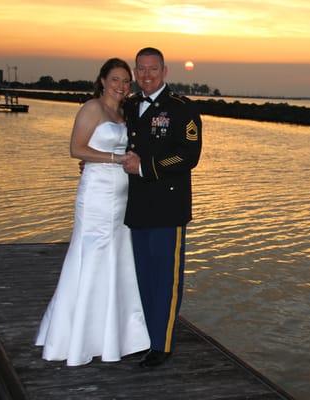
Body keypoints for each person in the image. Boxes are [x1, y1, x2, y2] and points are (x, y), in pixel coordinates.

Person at [35, 58, 150, 366]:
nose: (122, 86)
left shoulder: (124, 112)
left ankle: (112, 334)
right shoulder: (92, 108)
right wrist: (114, 159)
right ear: (102, 80)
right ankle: (77, 336)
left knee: (115, 258)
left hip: (121, 195)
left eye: (127, 81)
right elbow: (77, 148)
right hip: (98, 193)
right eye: (115, 79)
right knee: (92, 254)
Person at [122, 47, 202, 367]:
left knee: (166, 280)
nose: (146, 75)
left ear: (165, 71)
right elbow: (119, 146)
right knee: (143, 277)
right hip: (138, 207)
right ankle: (148, 338)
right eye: (140, 69)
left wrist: (145, 167)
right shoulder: (129, 106)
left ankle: (162, 344)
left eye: (152, 69)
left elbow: (188, 156)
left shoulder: (183, 109)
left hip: (168, 208)